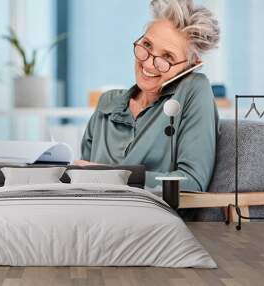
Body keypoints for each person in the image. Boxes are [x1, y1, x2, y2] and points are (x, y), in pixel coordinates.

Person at [74, 0, 220, 192]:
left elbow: (192, 182)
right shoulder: (107, 102)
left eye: (167, 57)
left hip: (151, 218)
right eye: (147, 45)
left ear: (191, 66)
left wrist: (110, 175)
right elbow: (83, 177)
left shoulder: (194, 89)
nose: (149, 64)